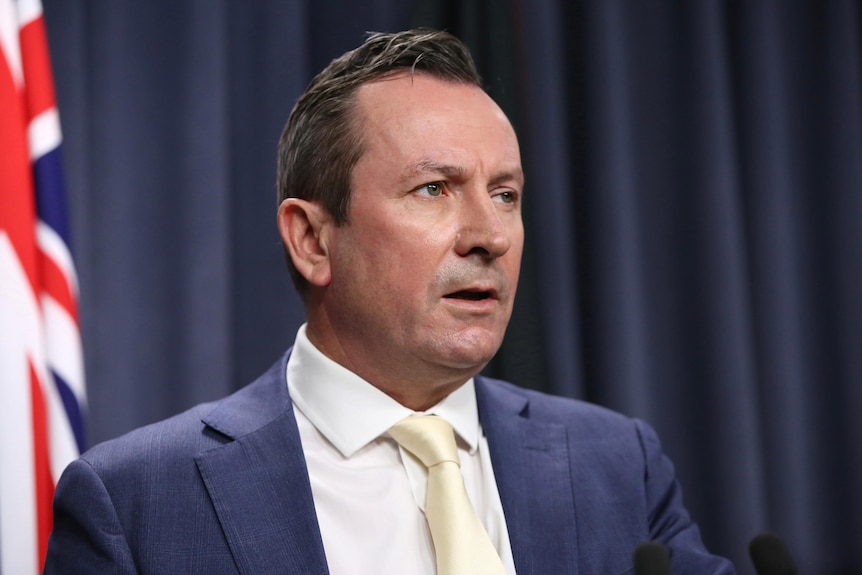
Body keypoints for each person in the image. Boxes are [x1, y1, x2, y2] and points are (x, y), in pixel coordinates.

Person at [43, 29, 735, 574]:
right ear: (313, 239)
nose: (490, 235)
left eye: (505, 194)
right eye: (434, 188)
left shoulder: (616, 463)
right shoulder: (136, 504)